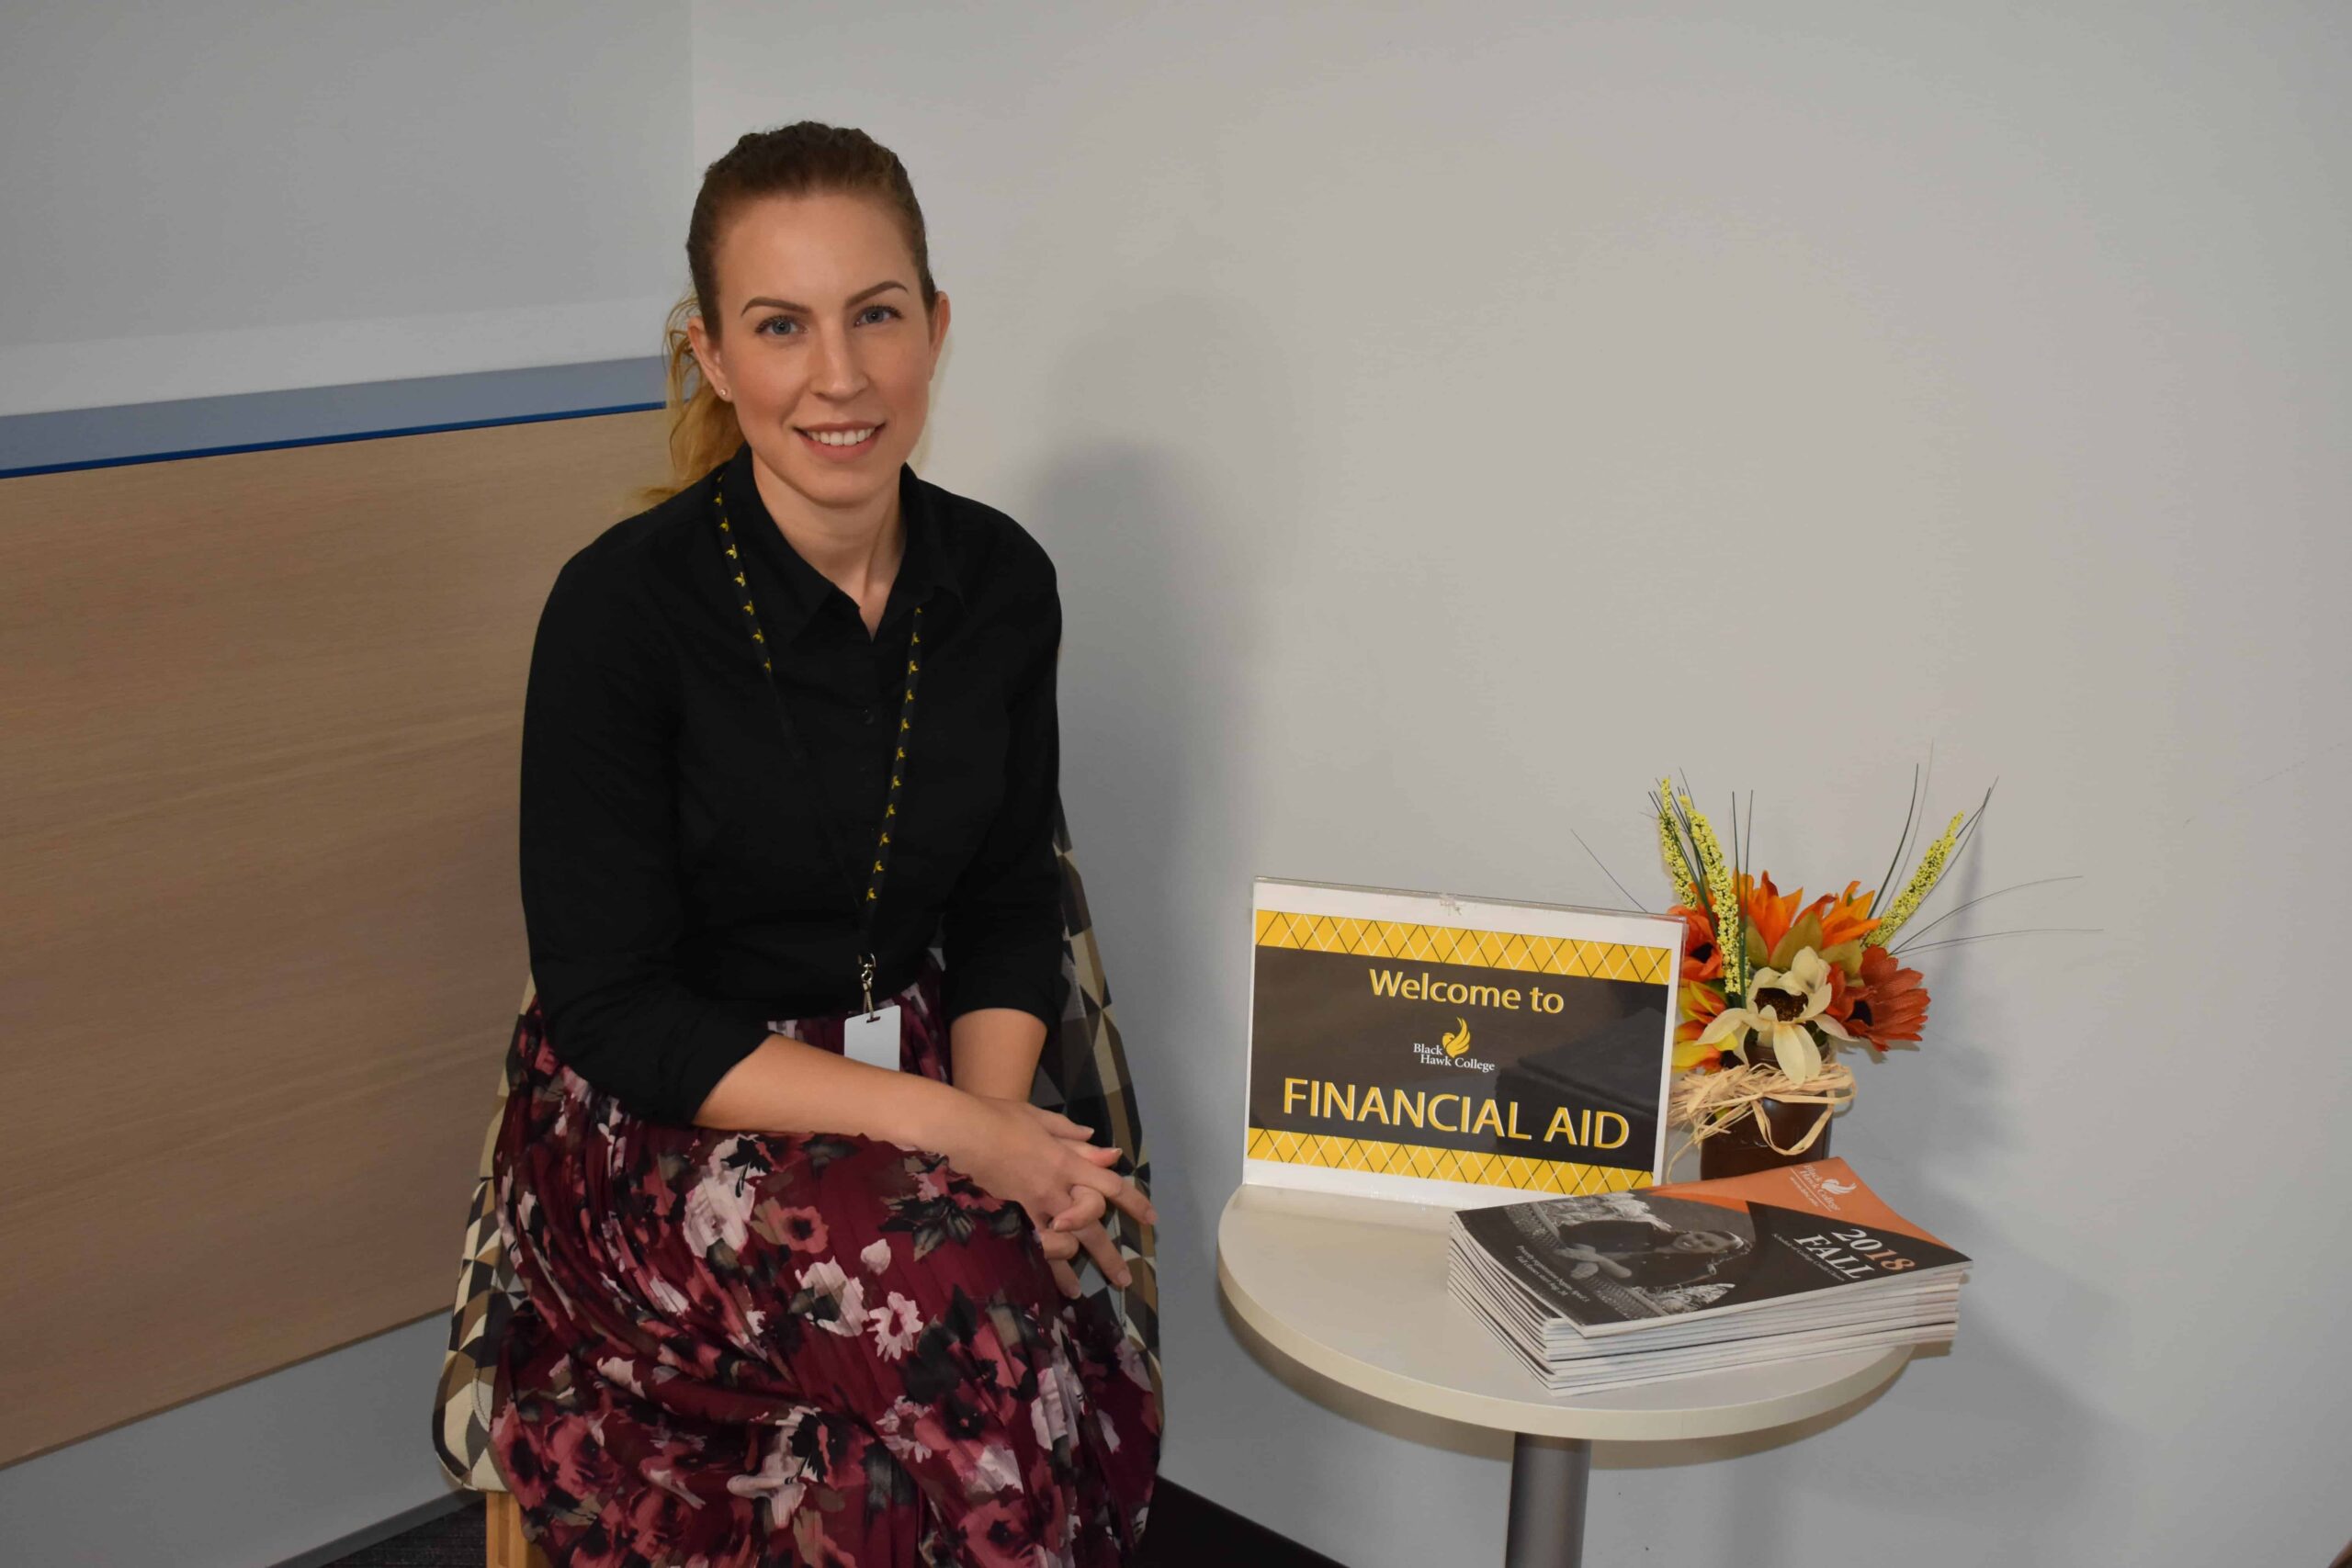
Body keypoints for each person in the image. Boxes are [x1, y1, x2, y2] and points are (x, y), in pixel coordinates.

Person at [487, 121, 1162, 1567]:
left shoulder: (1002, 581)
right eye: (781, 326)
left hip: (917, 1073)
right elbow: (615, 1005)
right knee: (974, 1311)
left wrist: (992, 1139)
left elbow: (1000, 902)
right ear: (714, 354)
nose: (839, 377)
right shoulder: (619, 613)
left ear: (937, 325)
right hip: (665, 1120)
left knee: (1013, 1310)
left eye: (877, 315)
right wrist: (968, 1139)